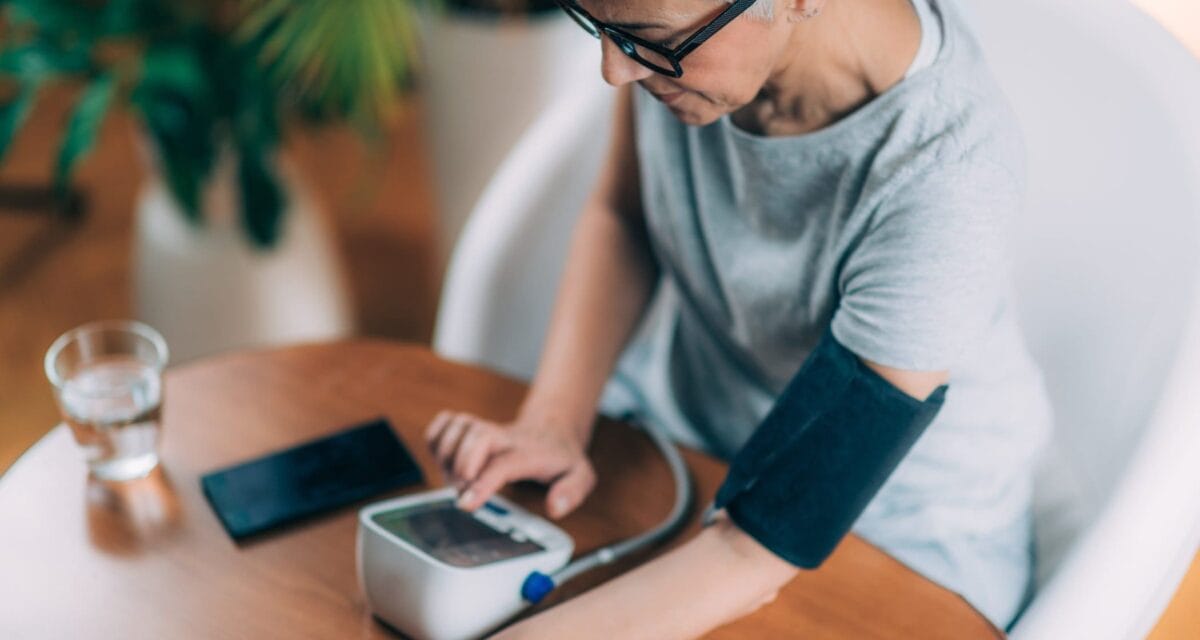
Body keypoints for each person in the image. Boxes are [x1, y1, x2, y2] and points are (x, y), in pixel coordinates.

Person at [425, 0, 1053, 635]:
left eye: (643, 39)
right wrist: (553, 421)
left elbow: (761, 540)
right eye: (600, 27)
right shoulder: (673, 50)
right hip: (693, 444)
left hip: (893, 528)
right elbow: (624, 214)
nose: (615, 72)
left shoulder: (950, 177)